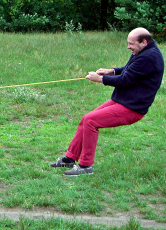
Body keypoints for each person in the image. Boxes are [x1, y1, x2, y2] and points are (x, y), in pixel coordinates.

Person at [50, 27, 164, 176]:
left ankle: (85, 166)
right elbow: (129, 69)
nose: (128, 46)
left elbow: (126, 80)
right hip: (122, 101)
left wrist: (101, 79)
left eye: (131, 44)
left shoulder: (149, 57)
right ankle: (69, 158)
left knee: (91, 121)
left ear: (144, 42)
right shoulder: (142, 51)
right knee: (86, 119)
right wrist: (112, 71)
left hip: (133, 108)